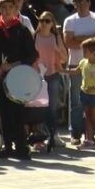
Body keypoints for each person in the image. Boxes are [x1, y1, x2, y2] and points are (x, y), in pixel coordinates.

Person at [0, 0, 37, 160]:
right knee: (3, 112)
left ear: (15, 9)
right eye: (3, 8)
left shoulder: (22, 30)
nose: (7, 11)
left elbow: (32, 55)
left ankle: (21, 146)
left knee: (18, 112)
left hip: (17, 77)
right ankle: (7, 145)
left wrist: (12, 65)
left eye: (10, 7)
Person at [62, 0, 95, 145]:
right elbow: (68, 42)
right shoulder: (70, 21)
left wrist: (79, 39)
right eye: (76, 1)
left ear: (88, 1)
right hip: (76, 64)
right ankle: (75, 133)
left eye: (82, 0)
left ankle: (91, 135)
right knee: (76, 102)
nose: (80, 4)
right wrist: (91, 39)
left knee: (93, 101)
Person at [34, 11, 68, 150]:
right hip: (37, 76)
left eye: (47, 21)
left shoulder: (55, 37)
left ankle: (53, 134)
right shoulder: (34, 36)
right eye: (42, 20)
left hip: (53, 74)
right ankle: (38, 136)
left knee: (52, 107)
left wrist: (57, 49)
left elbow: (65, 58)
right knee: (37, 106)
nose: (44, 23)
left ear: (53, 23)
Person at [68, 38, 95, 149]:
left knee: (94, 116)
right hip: (85, 93)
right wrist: (62, 70)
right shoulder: (83, 62)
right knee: (87, 116)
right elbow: (75, 71)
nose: (83, 53)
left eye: (85, 51)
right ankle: (89, 140)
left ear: (93, 52)